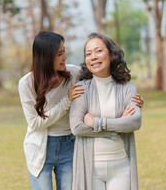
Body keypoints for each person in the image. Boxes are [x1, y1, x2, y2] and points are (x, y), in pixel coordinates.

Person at [18, 31, 144, 190]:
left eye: (64, 51)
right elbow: (36, 124)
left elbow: (100, 77)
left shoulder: (74, 74)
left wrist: (133, 100)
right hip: (40, 147)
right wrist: (67, 101)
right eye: (59, 54)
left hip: (69, 145)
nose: (65, 57)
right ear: (46, 57)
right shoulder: (26, 83)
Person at [69, 32, 142, 190]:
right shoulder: (81, 89)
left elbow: (135, 122)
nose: (93, 57)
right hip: (90, 169)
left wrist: (96, 122)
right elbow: (76, 127)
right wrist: (115, 127)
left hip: (121, 166)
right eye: (88, 54)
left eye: (98, 51)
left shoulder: (127, 88)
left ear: (112, 54)